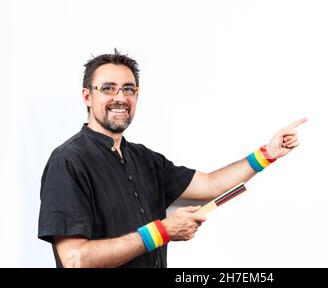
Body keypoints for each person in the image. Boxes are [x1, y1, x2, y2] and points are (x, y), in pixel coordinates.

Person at [38, 49, 308, 268]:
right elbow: (75, 260)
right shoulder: (68, 161)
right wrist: (162, 232)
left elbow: (209, 185)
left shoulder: (145, 159)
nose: (120, 98)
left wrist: (266, 154)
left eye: (129, 89)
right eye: (108, 88)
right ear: (88, 96)